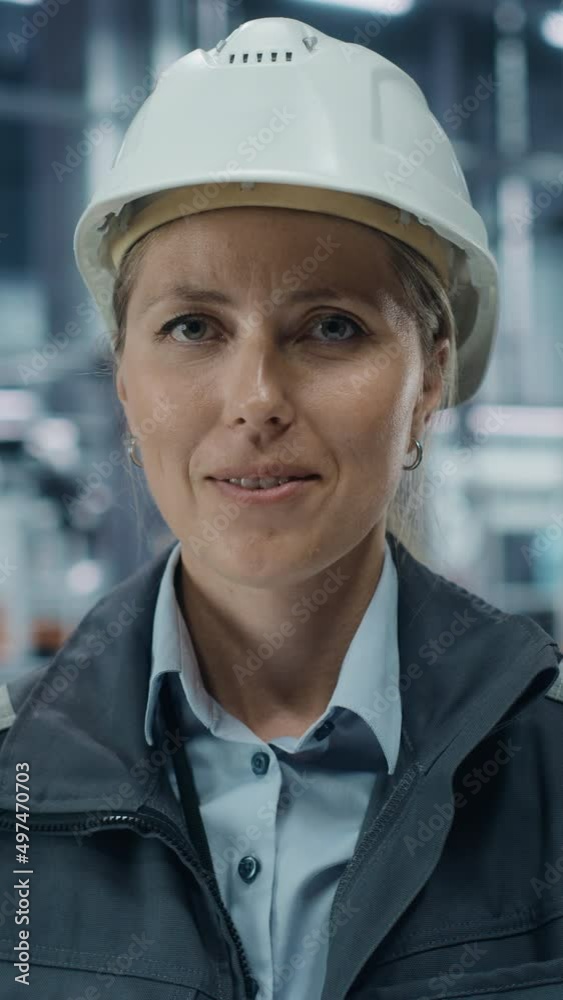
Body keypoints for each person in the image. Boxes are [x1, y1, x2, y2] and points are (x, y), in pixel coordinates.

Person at [0, 15, 562, 1000]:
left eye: (331, 326)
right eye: (190, 326)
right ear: (126, 380)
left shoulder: (548, 772)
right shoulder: (17, 780)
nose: (254, 395)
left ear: (428, 376)